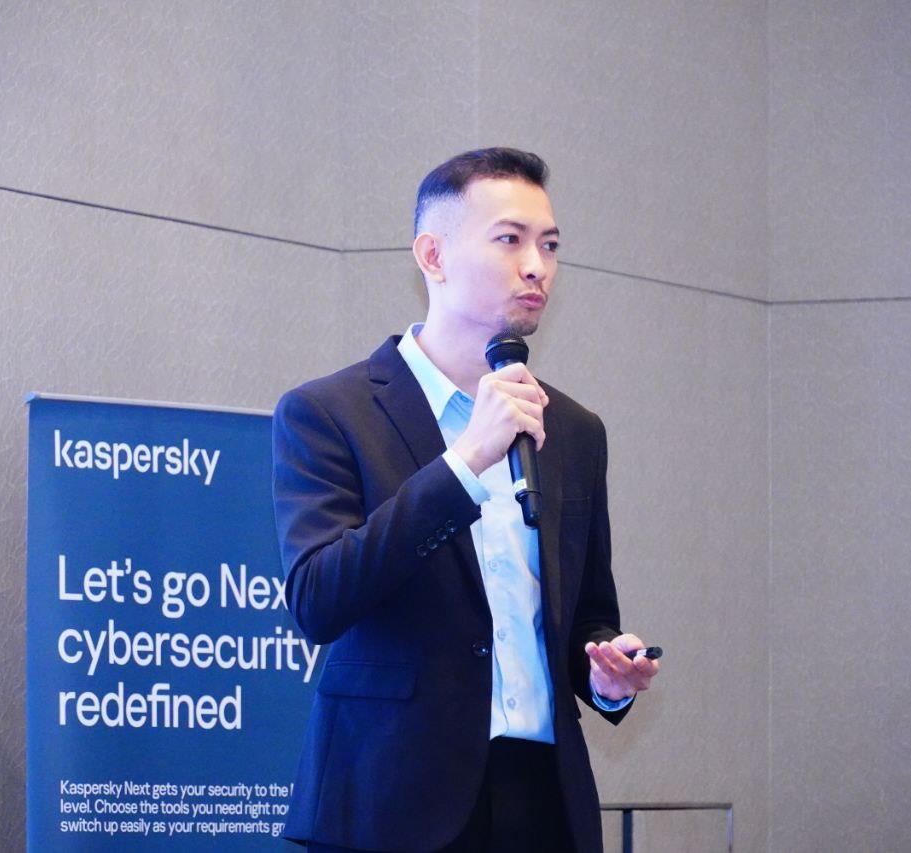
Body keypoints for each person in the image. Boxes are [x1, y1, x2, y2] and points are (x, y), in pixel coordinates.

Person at [272, 148, 659, 852]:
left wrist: (607, 673)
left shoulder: (574, 430)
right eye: (510, 239)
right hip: (391, 802)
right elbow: (318, 598)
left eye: (550, 245)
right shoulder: (328, 412)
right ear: (434, 255)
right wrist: (466, 460)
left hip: (544, 799)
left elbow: (587, 614)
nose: (537, 266)